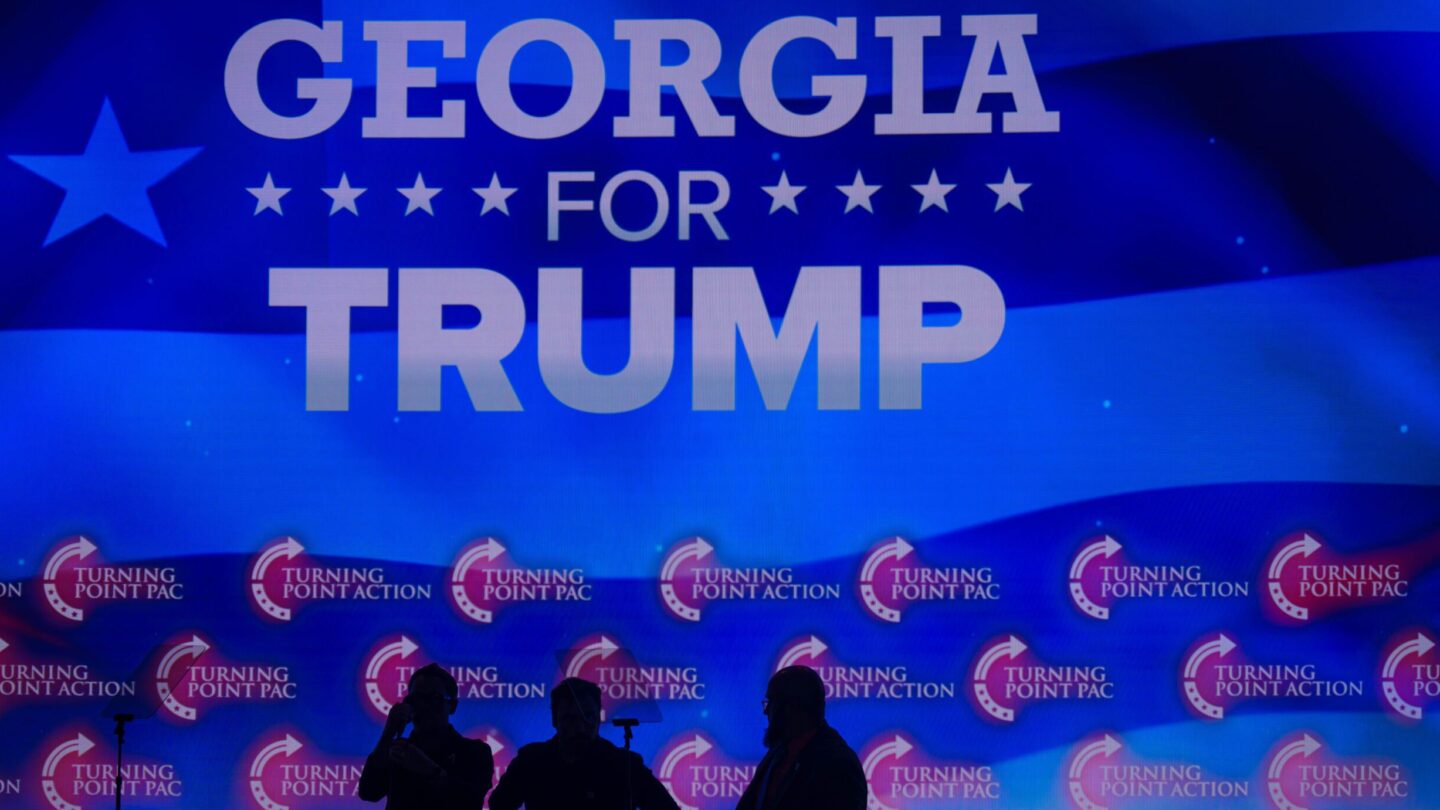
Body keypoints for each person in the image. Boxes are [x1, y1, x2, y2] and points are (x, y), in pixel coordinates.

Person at [488, 677, 680, 810]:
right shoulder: (531, 761)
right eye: (570, 718)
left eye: (587, 717)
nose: (580, 728)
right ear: (555, 720)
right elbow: (499, 805)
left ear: (599, 717)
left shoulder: (624, 765)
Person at [359, 662, 493, 808]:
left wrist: (430, 770)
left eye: (434, 699)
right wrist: (389, 732)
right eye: (416, 699)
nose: (424, 706)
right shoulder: (397, 751)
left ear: (452, 706)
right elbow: (369, 791)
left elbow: (470, 802)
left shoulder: (475, 752)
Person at [734, 665, 866, 810]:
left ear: (792, 707)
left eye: (770, 703)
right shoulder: (778, 753)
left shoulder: (840, 764)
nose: (766, 712)